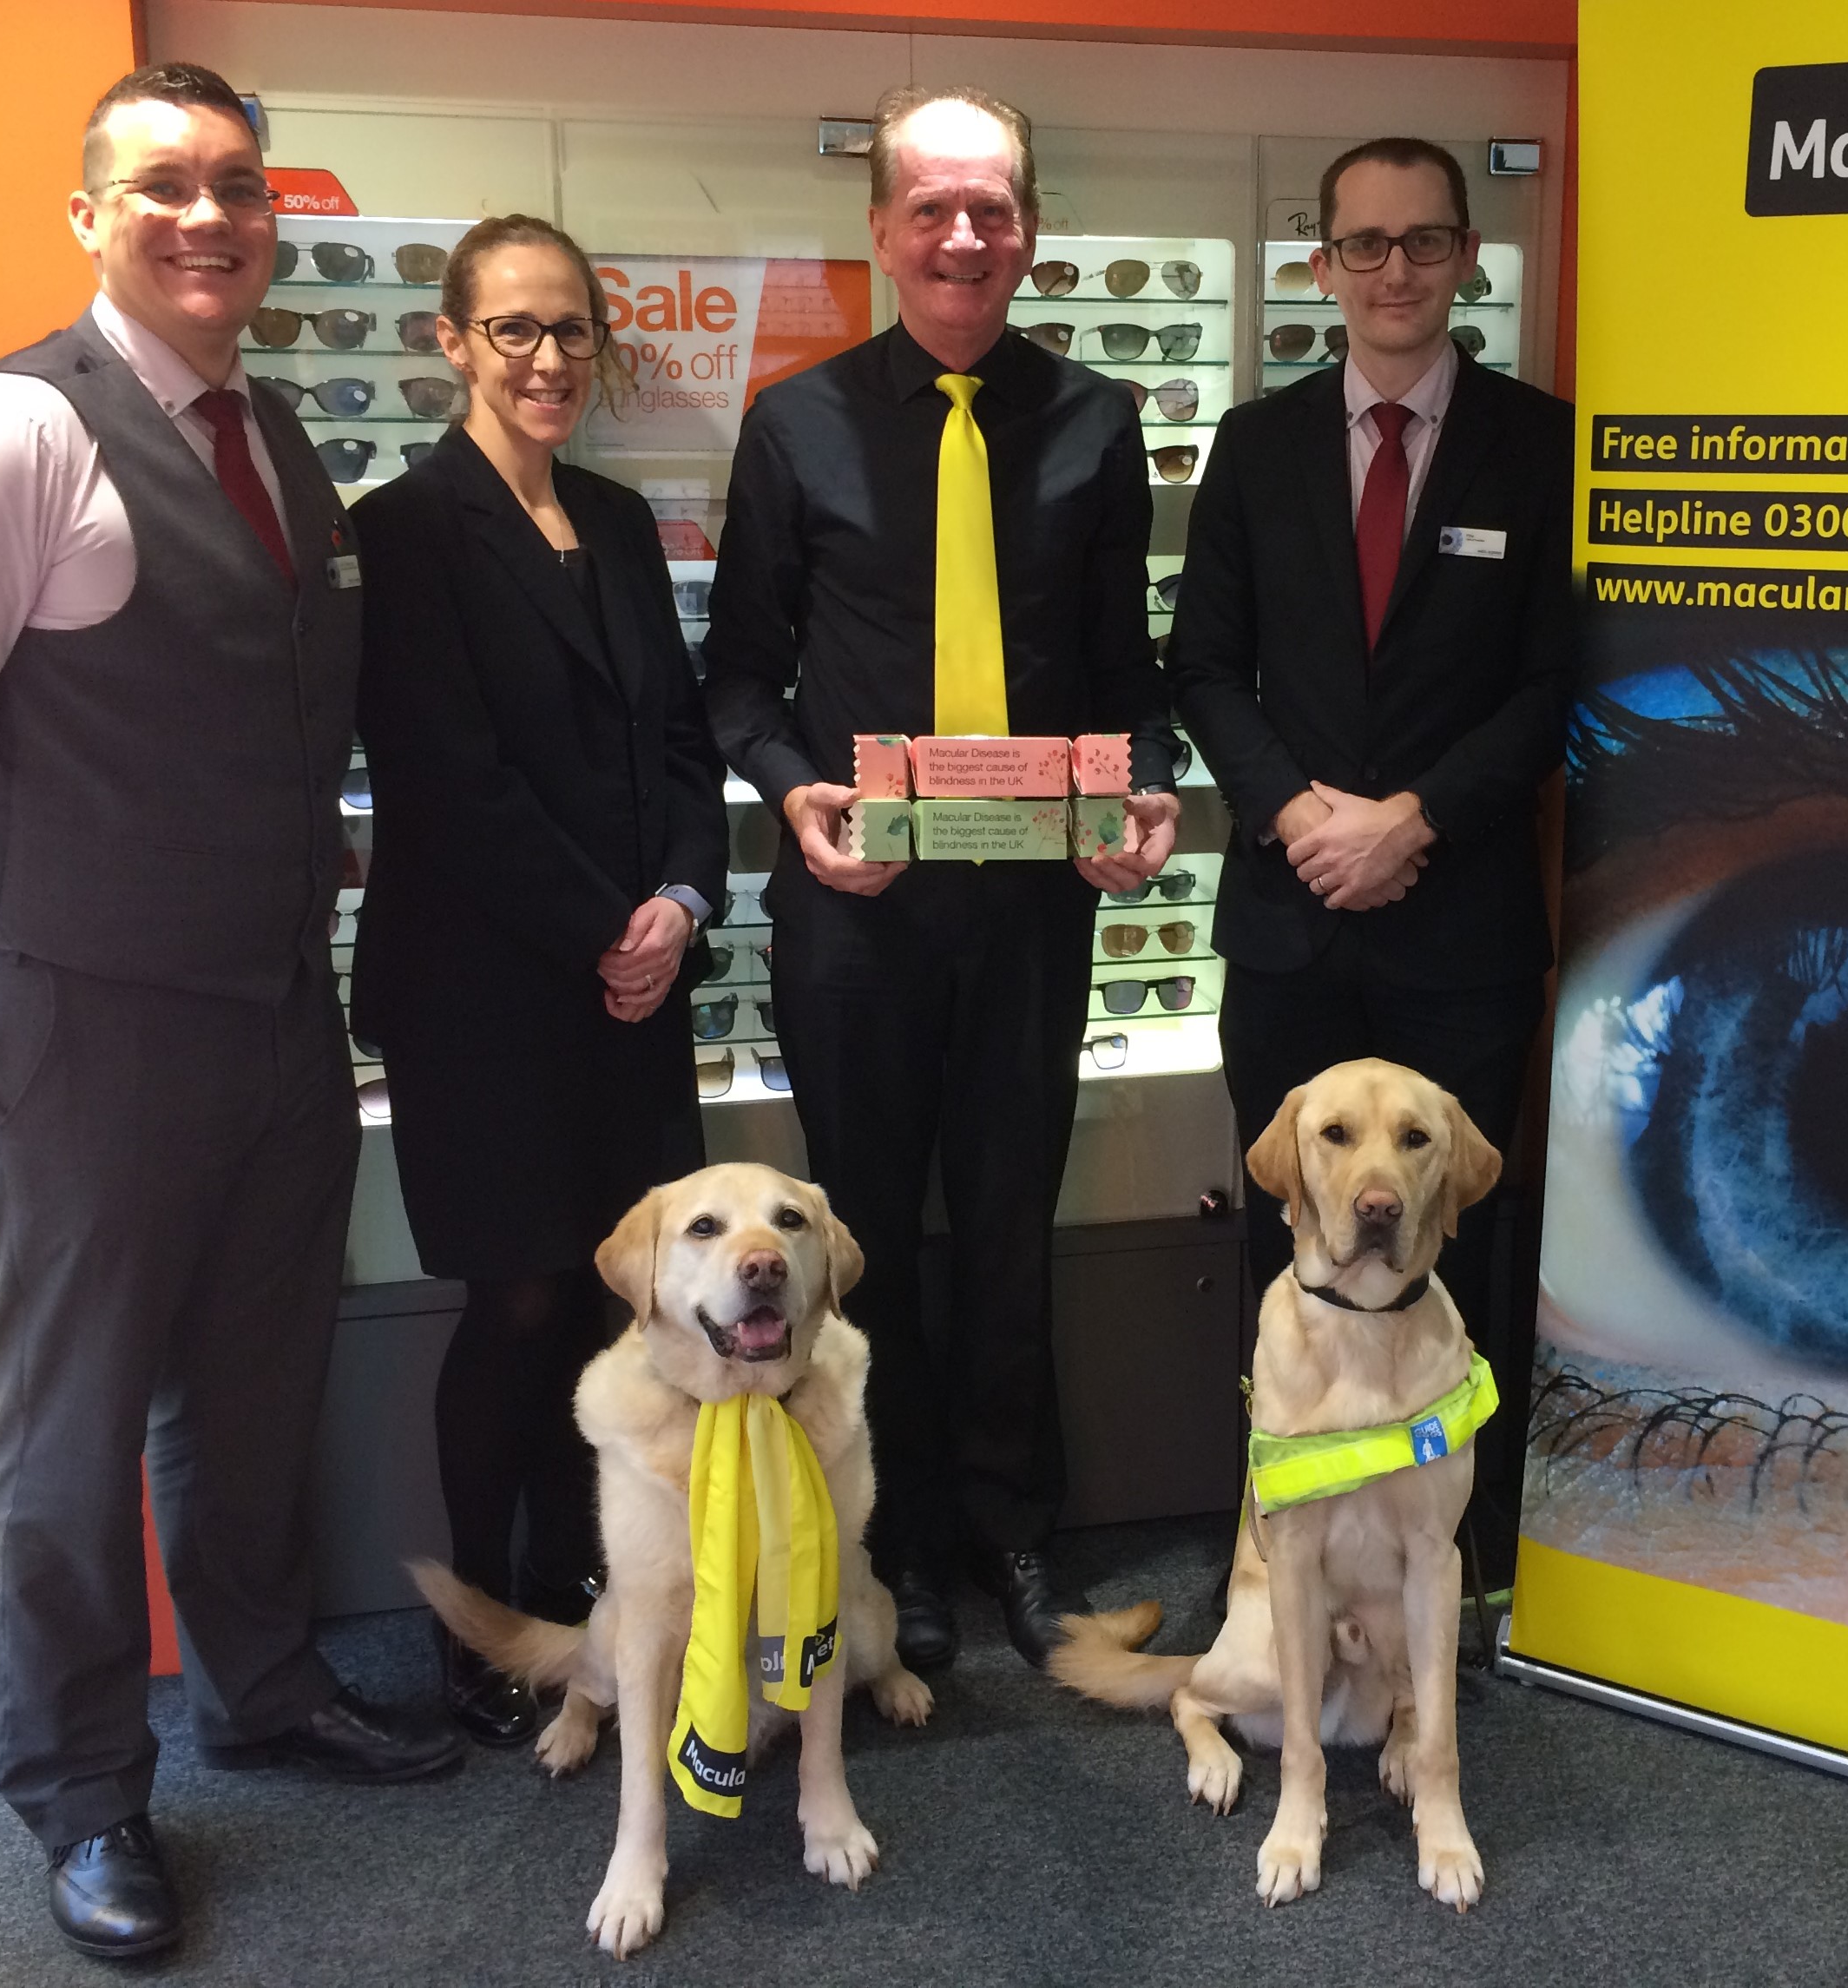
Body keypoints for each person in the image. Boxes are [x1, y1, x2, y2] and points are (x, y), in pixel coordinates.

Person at [0, 62, 460, 1962]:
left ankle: (260, 1686)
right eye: (162, 185)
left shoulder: (273, 439)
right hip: (69, 1022)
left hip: (266, 1014)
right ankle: (84, 1788)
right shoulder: (14, 435)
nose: (208, 217)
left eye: (239, 187)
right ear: (91, 215)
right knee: (72, 1420)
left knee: (251, 1384)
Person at [704, 83, 1181, 1671]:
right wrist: (795, 793)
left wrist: (1141, 794)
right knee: (866, 1244)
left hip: (1034, 916)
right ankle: (891, 1534)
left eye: (993, 208)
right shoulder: (798, 426)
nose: (964, 235)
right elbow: (737, 681)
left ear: (1029, 229)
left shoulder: (1099, 426)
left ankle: (1010, 1526)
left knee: (1006, 1225)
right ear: (883, 229)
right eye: (933, 207)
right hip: (857, 917)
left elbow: (1126, 669)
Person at [350, 215, 728, 1747]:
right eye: (514, 329)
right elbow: (450, 782)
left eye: (571, 329)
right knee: (514, 1303)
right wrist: (608, 930)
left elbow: (686, 746)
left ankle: (610, 1586)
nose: (549, 358)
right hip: (485, 998)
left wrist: (683, 901)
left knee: (625, 1302)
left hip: (630, 988)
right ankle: (485, 1622)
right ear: (451, 341)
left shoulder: (623, 524)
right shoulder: (405, 527)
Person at [1164, 136, 1573, 1538]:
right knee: (1300, 1243)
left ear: (1465, 256)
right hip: (1291, 921)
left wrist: (1417, 819)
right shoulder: (1258, 444)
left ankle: (1456, 1554)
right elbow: (1204, 666)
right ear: (1321, 264)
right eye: (1364, 245)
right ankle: (1280, 1547)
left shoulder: (1544, 445)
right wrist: (1297, 813)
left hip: (1460, 926)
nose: (1393, 271)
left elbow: (1552, 685)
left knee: (1453, 1246)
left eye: (1422, 241)